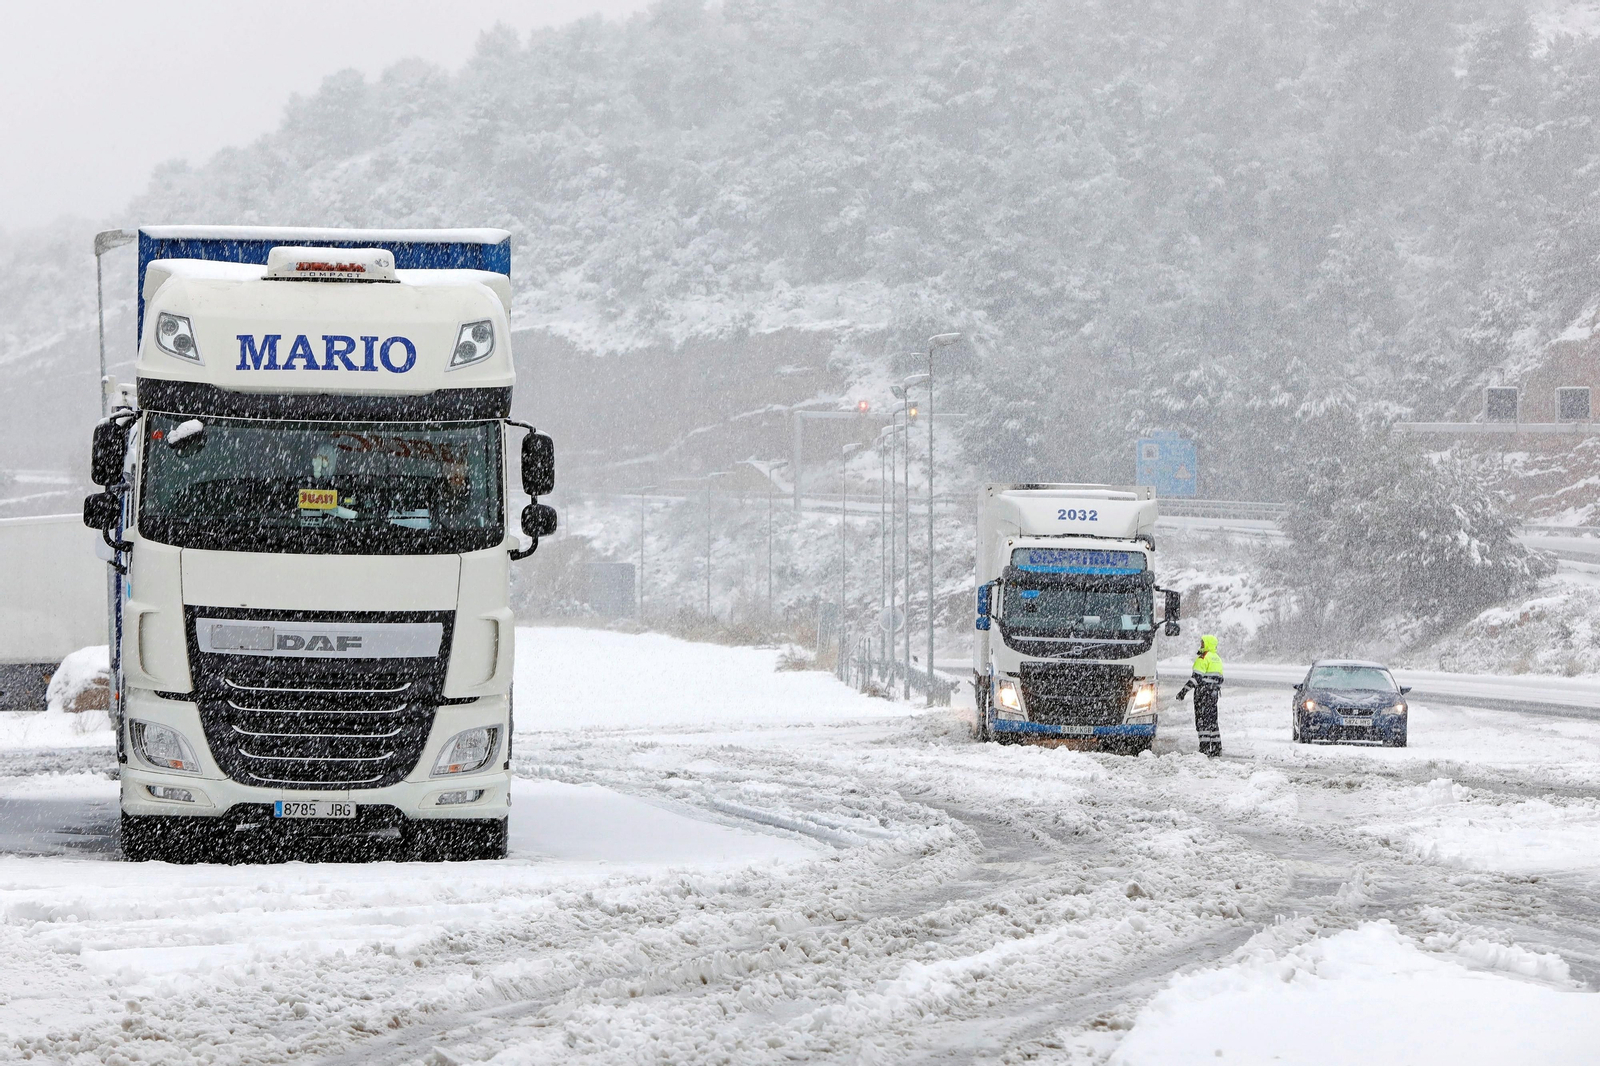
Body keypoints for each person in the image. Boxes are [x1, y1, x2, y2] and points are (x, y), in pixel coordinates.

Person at [1176, 634, 1225, 756]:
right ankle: (1216, 748)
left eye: (1203, 642)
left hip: (1203, 694)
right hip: (1213, 694)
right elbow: (1220, 678)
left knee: (1202, 721)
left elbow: (1196, 678)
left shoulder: (1204, 657)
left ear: (1207, 644)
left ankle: (1204, 748)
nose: (1201, 644)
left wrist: (1183, 691)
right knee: (1212, 721)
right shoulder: (1217, 658)